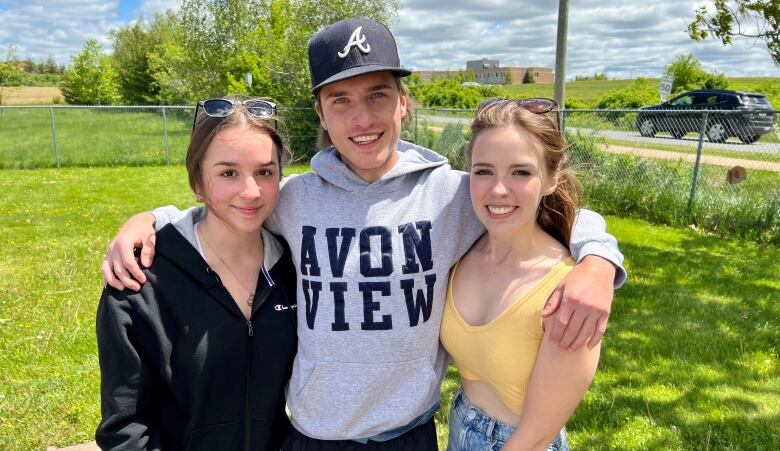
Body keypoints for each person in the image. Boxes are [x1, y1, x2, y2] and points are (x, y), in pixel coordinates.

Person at [100, 18, 625, 450]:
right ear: (321, 116)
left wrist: (599, 260)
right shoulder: (297, 199)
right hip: (311, 435)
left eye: (378, 95)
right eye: (341, 100)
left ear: (404, 103)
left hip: (408, 433)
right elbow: (227, 205)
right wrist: (149, 219)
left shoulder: (453, 193)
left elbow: (534, 201)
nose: (362, 117)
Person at [95, 97, 298, 451]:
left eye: (265, 172)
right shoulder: (140, 281)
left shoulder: (293, 268)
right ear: (198, 183)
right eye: (228, 173)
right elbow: (125, 428)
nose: (251, 192)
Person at [441, 98, 600, 451]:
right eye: (484, 171)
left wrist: (600, 265)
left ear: (551, 180)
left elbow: (537, 437)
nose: (498, 189)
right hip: (461, 423)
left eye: (521, 172)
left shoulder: (567, 292)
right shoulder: (462, 247)